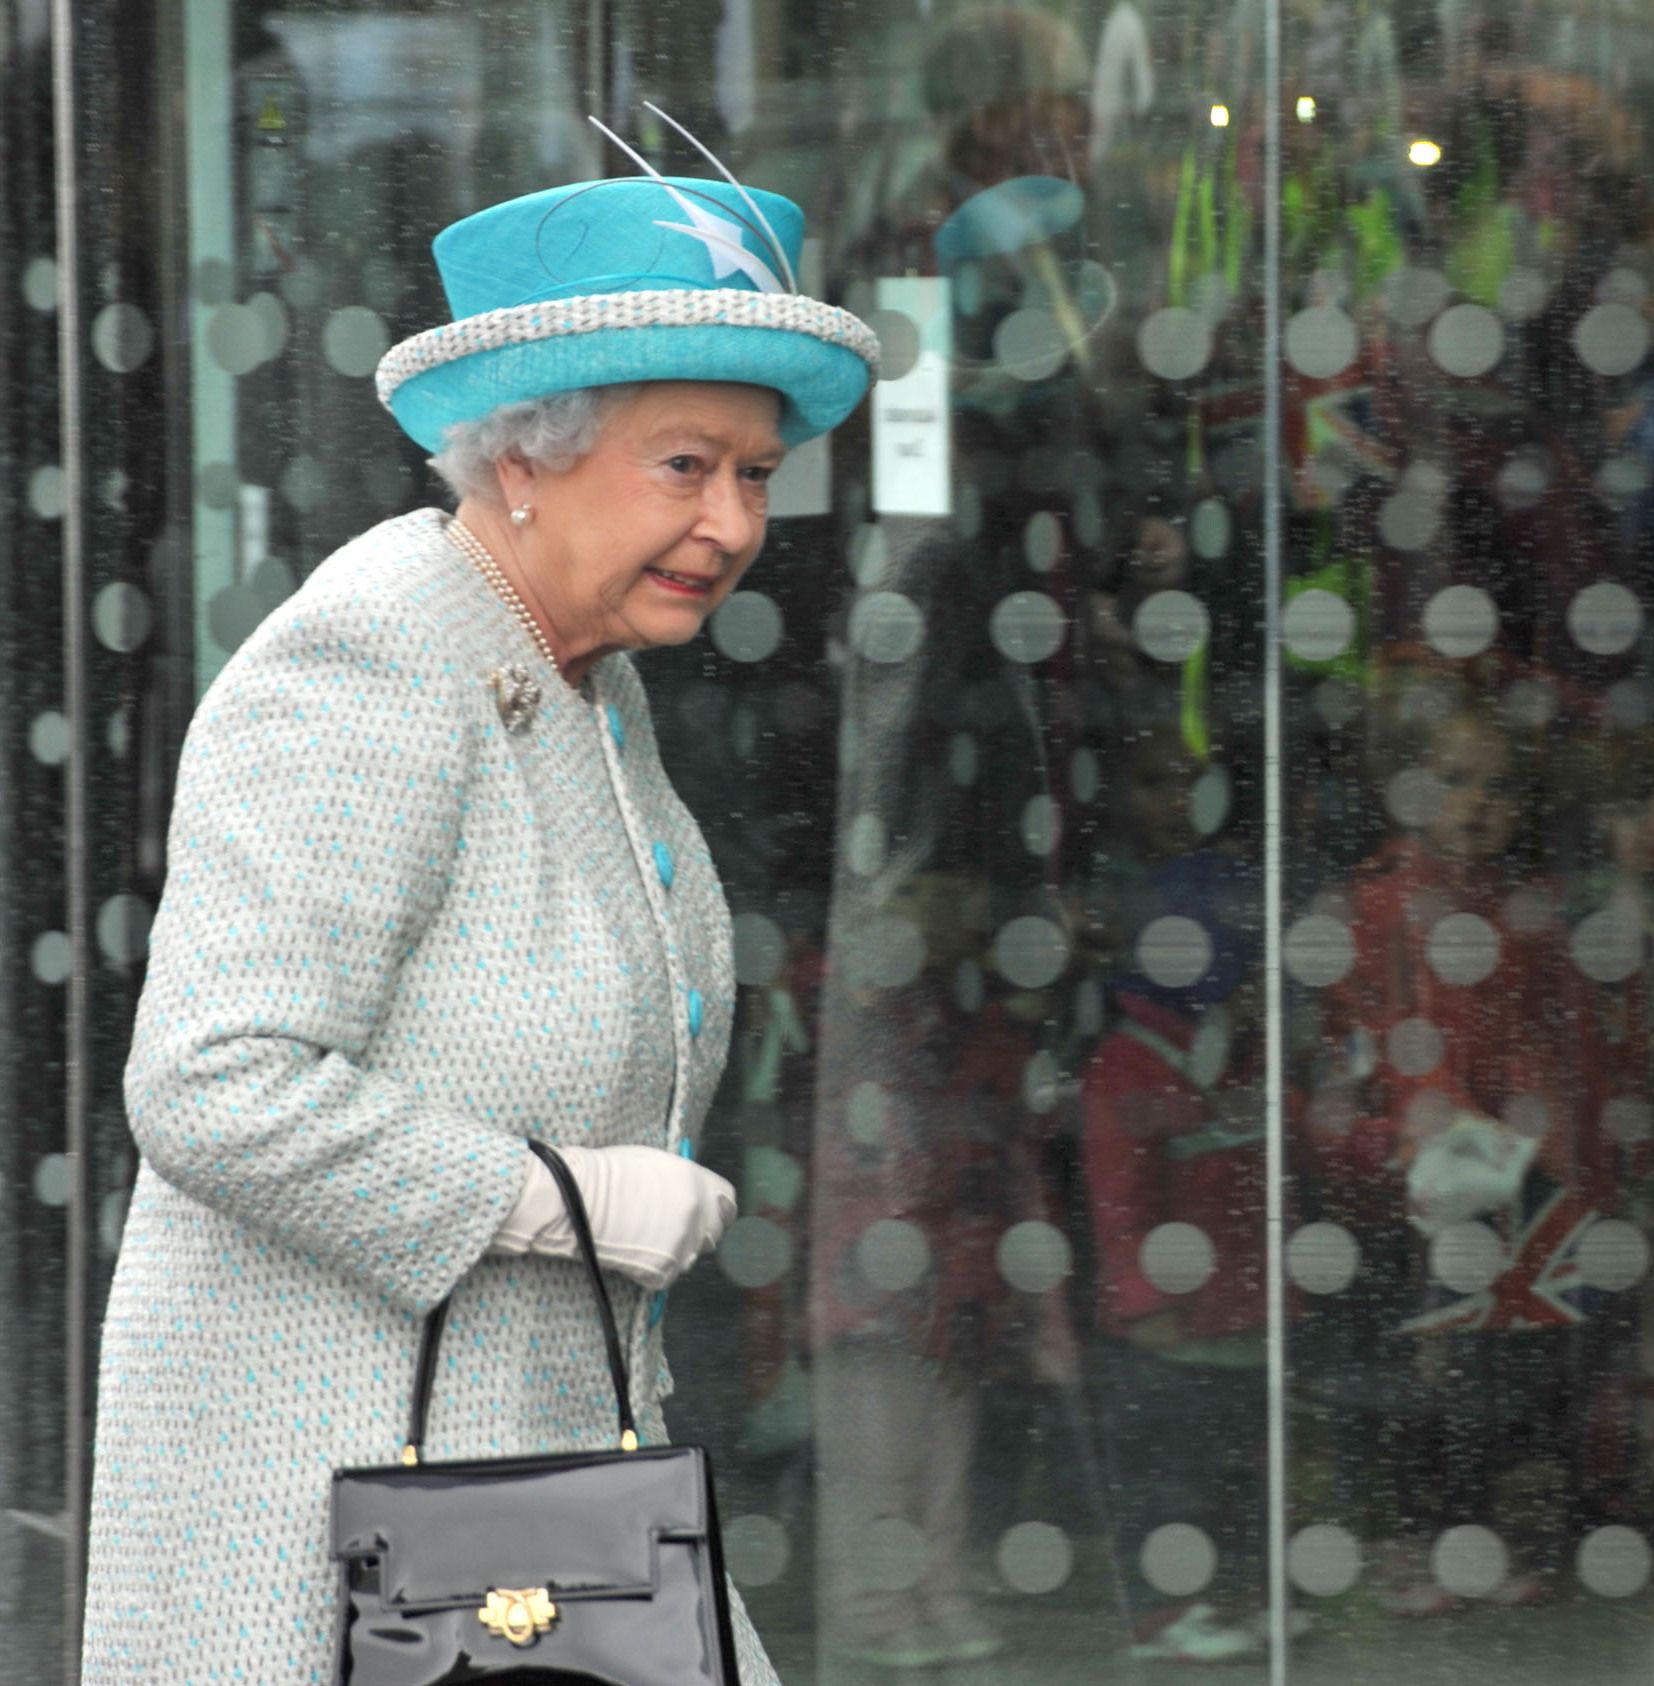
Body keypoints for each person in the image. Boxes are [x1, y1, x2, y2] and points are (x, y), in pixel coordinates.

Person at [79, 136, 877, 1683]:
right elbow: (209, 1079)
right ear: (521, 455)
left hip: (539, 1513)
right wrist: (547, 1196)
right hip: (335, 1535)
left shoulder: (587, 682)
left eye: (754, 474)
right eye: (682, 464)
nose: (728, 523)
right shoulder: (376, 659)